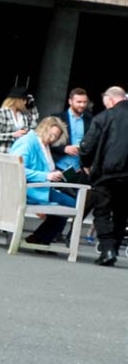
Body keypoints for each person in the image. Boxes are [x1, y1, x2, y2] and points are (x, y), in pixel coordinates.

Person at [79, 85, 128, 265]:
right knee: (121, 213)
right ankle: (113, 249)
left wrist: (85, 164)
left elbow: (87, 145)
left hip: (107, 172)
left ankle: (107, 250)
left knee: (102, 211)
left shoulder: (104, 117)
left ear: (111, 99)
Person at [12, 116, 78, 245]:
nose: (52, 139)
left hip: (38, 187)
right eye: (51, 135)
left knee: (69, 203)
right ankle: (41, 238)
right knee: (70, 205)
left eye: (56, 137)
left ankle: (40, 238)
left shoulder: (42, 143)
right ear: (43, 129)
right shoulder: (28, 142)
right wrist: (46, 176)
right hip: (29, 189)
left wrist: (53, 175)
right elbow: (16, 169)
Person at [59, 86, 91, 172]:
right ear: (70, 101)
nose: (82, 105)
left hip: (80, 168)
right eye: (79, 102)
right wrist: (64, 148)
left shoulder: (90, 120)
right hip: (59, 167)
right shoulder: (58, 118)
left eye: (85, 102)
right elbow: (47, 141)